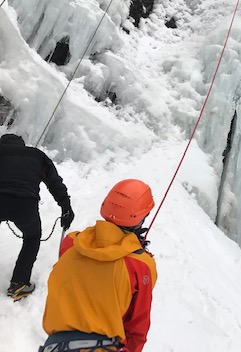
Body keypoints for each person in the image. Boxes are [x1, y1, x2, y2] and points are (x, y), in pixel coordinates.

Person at [41, 179, 157, 352]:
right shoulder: (140, 264)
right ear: (141, 218)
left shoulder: (71, 243)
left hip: (55, 346)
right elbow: (137, 326)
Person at [0, 133, 74, 301]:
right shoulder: (37, 155)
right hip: (25, 205)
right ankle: (19, 283)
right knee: (32, 237)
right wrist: (65, 207)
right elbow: (54, 183)